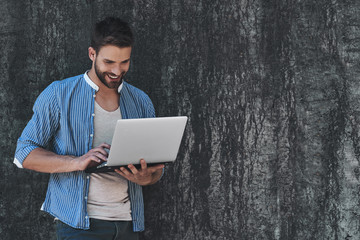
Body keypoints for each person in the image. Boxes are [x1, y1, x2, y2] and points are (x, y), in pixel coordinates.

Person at [13, 17, 164, 240]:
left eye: (124, 62)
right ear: (92, 54)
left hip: (129, 225)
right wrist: (76, 162)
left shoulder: (141, 101)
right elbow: (23, 154)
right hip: (79, 227)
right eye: (109, 62)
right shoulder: (59, 94)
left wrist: (146, 178)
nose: (117, 70)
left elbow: (157, 167)